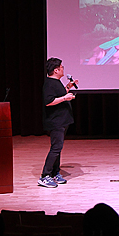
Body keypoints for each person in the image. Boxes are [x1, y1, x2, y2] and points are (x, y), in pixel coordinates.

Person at [39, 57, 76, 188]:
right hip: (56, 121)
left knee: (58, 148)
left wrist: (67, 88)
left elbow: (58, 95)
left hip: (62, 120)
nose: (63, 69)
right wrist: (65, 98)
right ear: (56, 70)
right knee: (56, 148)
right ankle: (45, 175)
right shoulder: (49, 83)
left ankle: (55, 172)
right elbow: (49, 101)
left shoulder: (56, 82)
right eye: (61, 67)